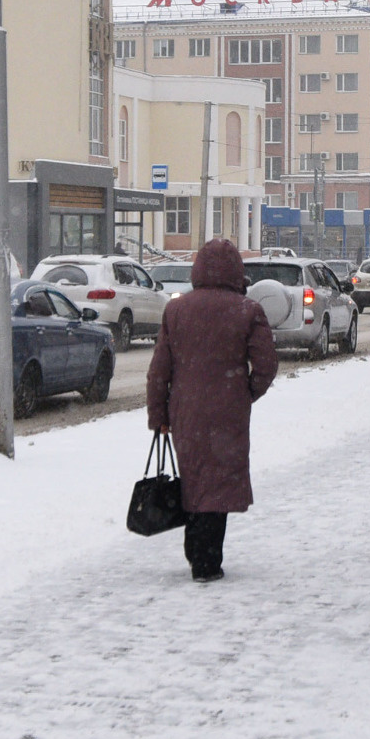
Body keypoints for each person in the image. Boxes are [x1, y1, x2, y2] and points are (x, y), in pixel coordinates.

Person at [146, 236, 279, 581]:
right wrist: (246, 393)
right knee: (218, 483)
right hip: (228, 412)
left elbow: (159, 369)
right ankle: (207, 561)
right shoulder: (247, 310)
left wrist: (159, 415)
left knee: (193, 478)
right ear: (237, 271)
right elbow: (266, 365)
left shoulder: (176, 309)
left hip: (186, 411)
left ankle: (196, 551)